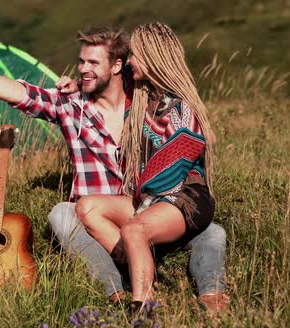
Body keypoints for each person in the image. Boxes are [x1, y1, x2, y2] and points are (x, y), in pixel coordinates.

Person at [0, 26, 227, 311]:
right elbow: (21, 93)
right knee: (61, 215)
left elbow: (186, 123)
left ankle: (211, 297)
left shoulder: (141, 101)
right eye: (80, 62)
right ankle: (118, 292)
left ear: (116, 66)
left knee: (212, 231)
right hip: (99, 219)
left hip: (145, 206)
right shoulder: (72, 105)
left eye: (93, 62)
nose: (82, 69)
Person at [76, 22, 228, 312]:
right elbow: (106, 81)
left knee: (134, 230)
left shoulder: (181, 109)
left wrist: (142, 209)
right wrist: (76, 85)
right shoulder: (144, 100)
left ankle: (144, 306)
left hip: (185, 198)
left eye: (136, 55)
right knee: (87, 207)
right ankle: (142, 268)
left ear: (154, 58)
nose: (130, 61)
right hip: (150, 199)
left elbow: (174, 169)